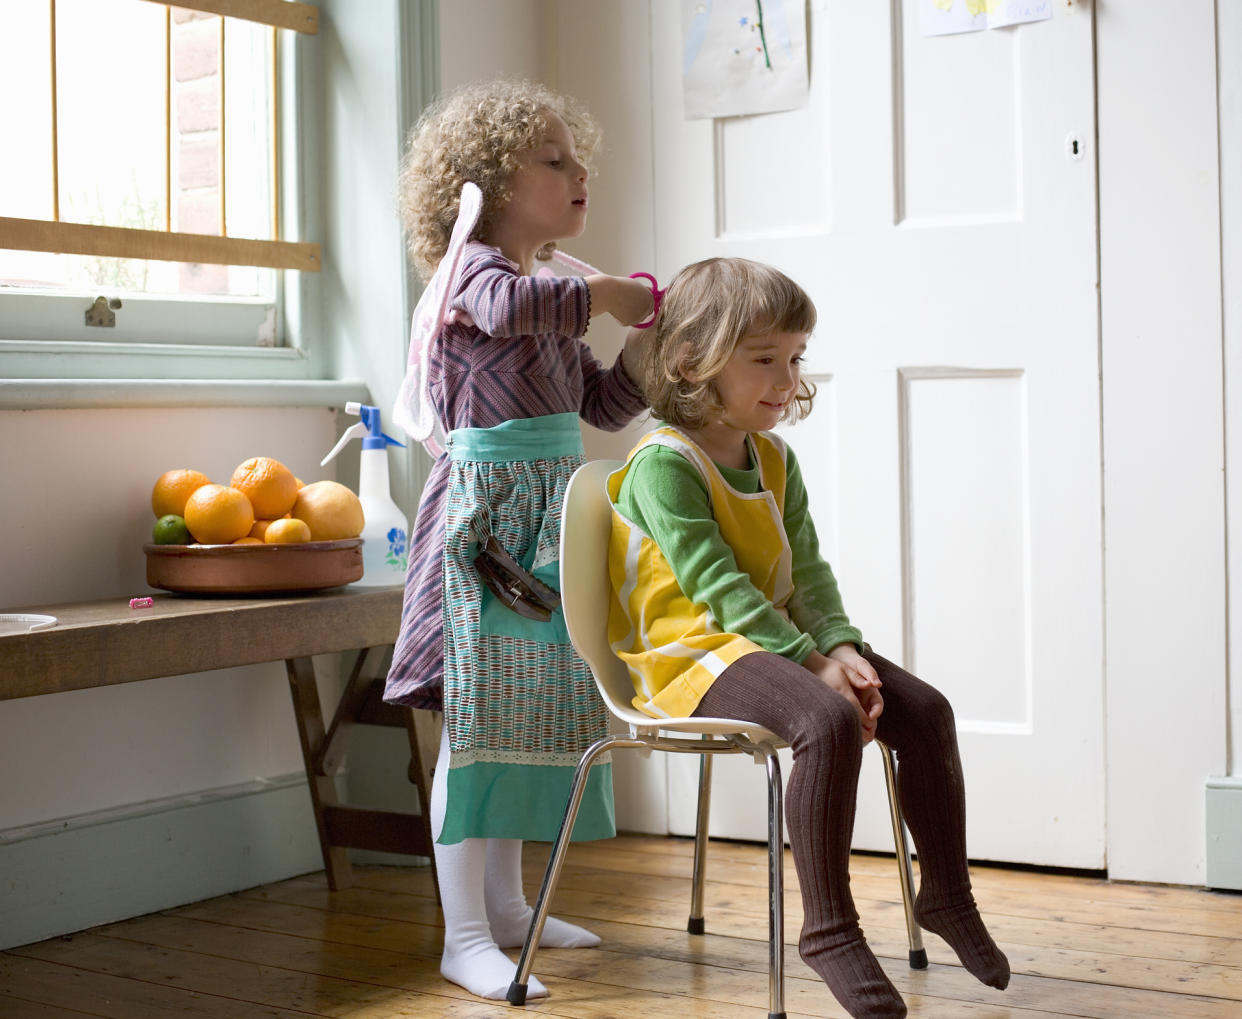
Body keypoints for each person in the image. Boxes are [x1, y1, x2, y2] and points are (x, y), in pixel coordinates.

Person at [606, 258, 1010, 1018]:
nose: (786, 377)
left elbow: (809, 574)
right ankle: (829, 929)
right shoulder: (666, 463)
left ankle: (947, 895)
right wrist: (812, 664)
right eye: (764, 359)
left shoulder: (773, 459)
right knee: (824, 721)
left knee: (923, 709)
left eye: (794, 357)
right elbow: (716, 589)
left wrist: (842, 647)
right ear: (694, 360)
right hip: (687, 657)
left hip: (768, 642)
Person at [384, 79, 654, 1001]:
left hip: (550, 511)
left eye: (578, 159)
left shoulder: (554, 293)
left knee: (520, 714)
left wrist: (652, 354)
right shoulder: (475, 276)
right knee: (475, 721)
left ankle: (503, 911)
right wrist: (611, 294)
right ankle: (463, 934)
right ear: (489, 184)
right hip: (487, 522)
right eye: (553, 160)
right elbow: (510, 309)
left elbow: (598, 405)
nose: (580, 172)